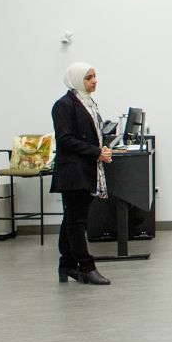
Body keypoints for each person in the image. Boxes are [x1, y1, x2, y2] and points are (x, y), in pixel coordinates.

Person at [50, 62, 113, 285]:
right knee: (77, 222)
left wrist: (101, 148)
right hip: (73, 172)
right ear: (77, 80)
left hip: (85, 169)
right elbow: (65, 140)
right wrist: (96, 152)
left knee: (72, 219)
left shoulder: (88, 103)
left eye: (95, 76)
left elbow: (93, 133)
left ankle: (66, 265)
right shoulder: (63, 105)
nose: (94, 80)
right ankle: (86, 267)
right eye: (89, 77)